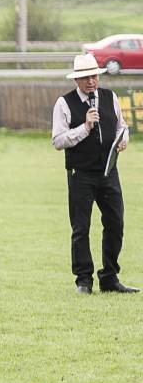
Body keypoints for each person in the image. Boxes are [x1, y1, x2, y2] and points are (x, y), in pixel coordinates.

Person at [51, 52, 135, 294]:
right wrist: (85, 127)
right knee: (81, 228)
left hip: (109, 171)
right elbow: (58, 140)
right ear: (76, 80)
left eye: (94, 76)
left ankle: (109, 277)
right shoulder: (64, 103)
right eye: (86, 77)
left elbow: (122, 126)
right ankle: (83, 281)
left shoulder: (110, 97)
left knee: (115, 223)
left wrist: (124, 139)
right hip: (81, 174)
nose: (91, 81)